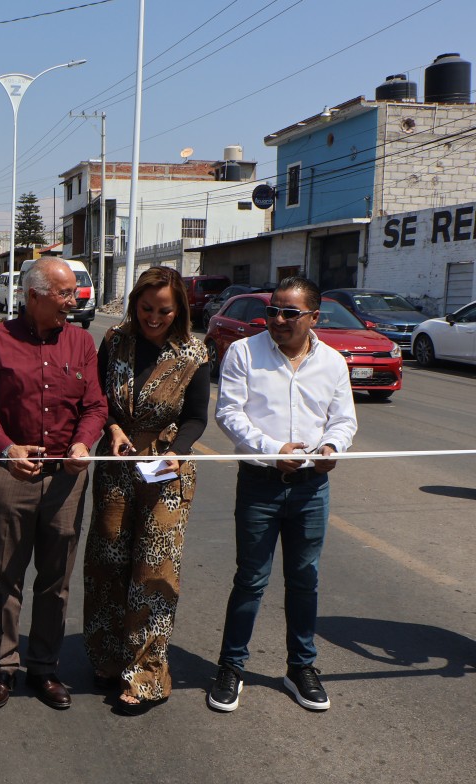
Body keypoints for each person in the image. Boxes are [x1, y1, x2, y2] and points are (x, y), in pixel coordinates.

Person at [207, 275, 357, 714]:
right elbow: (228, 413)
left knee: (304, 579)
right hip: (260, 484)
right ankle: (231, 667)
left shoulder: (332, 362)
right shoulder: (244, 352)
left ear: (313, 316)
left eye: (289, 313)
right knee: (250, 580)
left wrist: (333, 449)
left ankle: (300, 668)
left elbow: (342, 420)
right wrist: (274, 452)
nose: (277, 319)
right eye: (273, 310)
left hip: (312, 488)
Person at [0, 256, 108, 711]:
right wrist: (8, 450)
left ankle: (45, 667)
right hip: (11, 475)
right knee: (5, 577)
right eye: (65, 294)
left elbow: (95, 407)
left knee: (56, 580)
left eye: (74, 293)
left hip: (66, 480)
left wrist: (84, 445)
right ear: (33, 296)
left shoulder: (82, 343)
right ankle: (3, 667)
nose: (74, 300)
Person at [83, 267, 209, 715]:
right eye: (146, 308)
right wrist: (114, 428)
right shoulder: (115, 340)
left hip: (167, 471)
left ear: (179, 310)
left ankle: (146, 674)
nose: (154, 317)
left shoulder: (193, 351)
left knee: (154, 572)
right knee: (109, 562)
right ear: (135, 302)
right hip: (116, 464)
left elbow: (196, 416)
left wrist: (178, 449)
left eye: (164, 310)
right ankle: (106, 657)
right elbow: (97, 397)